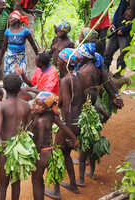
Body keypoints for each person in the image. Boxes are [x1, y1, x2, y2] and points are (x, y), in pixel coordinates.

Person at [51, 46, 124, 196]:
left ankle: (57, 191)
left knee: (56, 154)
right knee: (65, 154)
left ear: (64, 63)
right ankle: (73, 185)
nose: (57, 62)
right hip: (79, 123)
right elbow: (84, 100)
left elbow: (64, 106)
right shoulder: (79, 77)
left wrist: (67, 132)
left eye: (58, 60)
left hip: (69, 123)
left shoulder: (66, 80)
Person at [29, 92, 78, 200]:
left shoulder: (37, 118)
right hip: (51, 152)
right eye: (36, 103)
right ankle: (54, 192)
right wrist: (74, 138)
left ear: (47, 107)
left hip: (40, 154)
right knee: (39, 180)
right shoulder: (51, 115)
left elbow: (39, 142)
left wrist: (33, 156)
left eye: (41, 105)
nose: (36, 107)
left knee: (36, 181)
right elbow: (63, 126)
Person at [0, 74, 31, 200]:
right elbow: (28, 129)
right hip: (20, 150)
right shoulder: (26, 105)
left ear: (5, 90)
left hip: (5, 149)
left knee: (3, 184)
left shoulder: (1, 105)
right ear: (20, 89)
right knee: (16, 183)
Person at [0, 10, 38, 83]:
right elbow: (4, 46)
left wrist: (38, 55)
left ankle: (20, 92)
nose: (9, 20)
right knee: (9, 76)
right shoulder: (8, 31)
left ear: (17, 19)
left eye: (11, 18)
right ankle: (10, 91)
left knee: (21, 75)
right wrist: (0, 59)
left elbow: (33, 44)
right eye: (9, 18)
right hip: (9, 58)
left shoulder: (25, 31)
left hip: (21, 58)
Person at [104, 0, 132, 76]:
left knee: (123, 55)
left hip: (126, 34)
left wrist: (124, 29)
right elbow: (118, 11)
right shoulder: (123, 1)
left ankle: (118, 75)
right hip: (116, 30)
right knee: (107, 52)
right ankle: (105, 72)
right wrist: (113, 23)